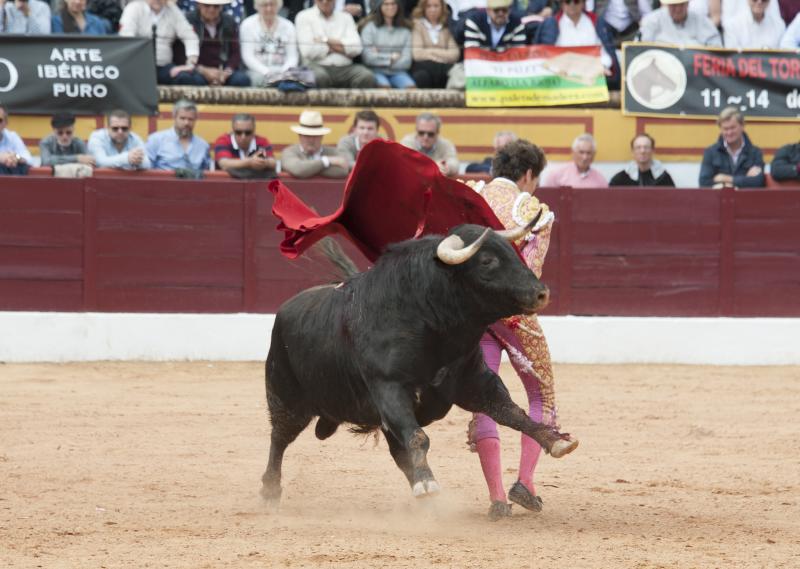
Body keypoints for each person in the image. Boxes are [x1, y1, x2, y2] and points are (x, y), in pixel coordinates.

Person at [465, 139, 578, 520]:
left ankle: (497, 497)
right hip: (514, 316)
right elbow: (529, 276)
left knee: (484, 396)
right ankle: (525, 481)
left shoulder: (470, 194)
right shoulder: (531, 209)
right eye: (535, 179)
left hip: (473, 315)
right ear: (528, 174)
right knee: (541, 397)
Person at [536, 0, 620, 90]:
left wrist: (602, 67)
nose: (572, 5)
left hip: (593, 79)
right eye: (567, 1)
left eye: (576, 1)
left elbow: (607, 55)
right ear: (562, 4)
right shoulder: (550, 25)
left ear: (583, 3)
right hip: (561, 82)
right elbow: (542, 58)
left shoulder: (597, 23)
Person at [294, 0, 377, 88]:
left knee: (366, 76)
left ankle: (352, 102)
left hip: (345, 67)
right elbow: (308, 51)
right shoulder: (303, 16)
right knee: (318, 77)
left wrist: (325, 40)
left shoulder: (346, 17)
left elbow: (356, 48)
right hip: (316, 65)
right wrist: (342, 48)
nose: (325, 2)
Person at [118, 0, 201, 86]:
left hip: (164, 67)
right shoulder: (134, 8)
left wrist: (190, 64)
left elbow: (190, 37)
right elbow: (126, 38)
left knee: (186, 78)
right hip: (137, 66)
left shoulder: (173, 10)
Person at [182, 0, 251, 86]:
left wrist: (226, 72)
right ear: (199, 5)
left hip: (223, 70)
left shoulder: (229, 21)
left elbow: (235, 53)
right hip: (198, 70)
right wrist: (202, 70)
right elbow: (181, 53)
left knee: (242, 80)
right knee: (194, 80)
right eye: (207, 5)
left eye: (216, 6)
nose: (211, 9)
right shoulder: (188, 21)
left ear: (221, 6)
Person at [239, 0, 301, 87]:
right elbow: (248, 56)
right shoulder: (247, 25)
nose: (269, 9)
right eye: (264, 5)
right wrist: (267, 72)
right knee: (260, 80)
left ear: (279, 6)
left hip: (283, 71)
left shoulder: (288, 26)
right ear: (257, 6)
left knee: (293, 82)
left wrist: (284, 73)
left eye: (272, 5)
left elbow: (293, 56)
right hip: (257, 71)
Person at [699, 107, 765, 189]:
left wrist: (725, 179)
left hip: (747, 200)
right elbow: (704, 183)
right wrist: (744, 179)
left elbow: (758, 182)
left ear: (742, 126)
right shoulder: (710, 152)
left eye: (733, 128)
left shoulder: (755, 153)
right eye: (725, 129)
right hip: (720, 200)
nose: (729, 132)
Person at [359, 0, 416, 89]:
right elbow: (368, 58)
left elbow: (407, 62)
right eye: (386, 4)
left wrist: (378, 55)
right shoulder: (369, 28)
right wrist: (391, 58)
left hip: (399, 72)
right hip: (375, 71)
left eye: (393, 3)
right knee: (384, 89)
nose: (390, 7)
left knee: (411, 90)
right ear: (379, 6)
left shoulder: (405, 30)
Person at [146, 99, 210, 174]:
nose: (186, 123)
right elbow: (146, 169)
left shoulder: (203, 145)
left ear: (195, 120)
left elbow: (207, 174)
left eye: (190, 119)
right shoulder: (156, 139)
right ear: (174, 117)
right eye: (182, 118)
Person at [280, 109, 349, 178]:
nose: (311, 140)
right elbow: (298, 169)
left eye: (315, 136)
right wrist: (327, 161)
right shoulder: (289, 152)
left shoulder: (333, 152)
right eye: (307, 135)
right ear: (299, 135)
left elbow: (343, 170)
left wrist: (308, 169)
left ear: (322, 136)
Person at [409, 0, 460, 89]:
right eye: (429, 6)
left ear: (442, 8)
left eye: (436, 6)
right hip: (424, 68)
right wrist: (442, 54)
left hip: (443, 70)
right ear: (424, 8)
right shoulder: (417, 26)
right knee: (421, 77)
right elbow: (417, 54)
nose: (433, 9)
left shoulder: (447, 27)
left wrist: (429, 52)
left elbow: (455, 54)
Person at [214, 113, 277, 179]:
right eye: (238, 132)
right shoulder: (223, 141)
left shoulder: (262, 141)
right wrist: (250, 162)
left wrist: (264, 162)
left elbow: (273, 162)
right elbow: (224, 164)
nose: (243, 137)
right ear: (232, 131)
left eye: (248, 132)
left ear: (254, 131)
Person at [638, 0, 722, 46]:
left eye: (681, 4)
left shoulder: (703, 22)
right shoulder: (652, 21)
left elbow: (717, 51)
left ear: (688, 3)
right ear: (667, 5)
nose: (678, 9)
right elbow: (638, 49)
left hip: (695, 74)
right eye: (674, 5)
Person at [400, 112, 459, 176]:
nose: (425, 137)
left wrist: (447, 167)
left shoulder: (446, 144)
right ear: (416, 130)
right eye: (421, 133)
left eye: (430, 134)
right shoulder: (407, 143)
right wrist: (433, 166)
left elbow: (454, 163)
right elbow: (404, 165)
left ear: (437, 132)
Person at [460, 0, 531, 51]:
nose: (501, 13)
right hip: (479, 66)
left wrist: (486, 50)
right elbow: (471, 51)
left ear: (509, 10)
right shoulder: (474, 21)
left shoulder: (517, 23)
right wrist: (504, 50)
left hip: (507, 66)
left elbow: (519, 52)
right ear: (488, 10)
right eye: (496, 10)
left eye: (504, 10)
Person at [39, 113, 95, 177]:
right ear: (54, 131)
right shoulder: (46, 142)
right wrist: (76, 158)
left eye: (68, 132)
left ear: (73, 129)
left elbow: (90, 161)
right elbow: (46, 161)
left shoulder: (79, 142)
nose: (64, 136)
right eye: (60, 133)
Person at [609, 133, 675, 187]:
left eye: (646, 147)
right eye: (638, 147)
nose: (642, 151)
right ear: (632, 151)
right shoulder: (620, 179)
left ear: (652, 151)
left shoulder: (663, 178)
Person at [543, 133, 607, 188]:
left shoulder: (600, 180)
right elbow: (545, 198)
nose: (585, 157)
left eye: (588, 153)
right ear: (573, 153)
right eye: (581, 152)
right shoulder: (556, 175)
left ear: (594, 155)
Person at [0, 103, 31, 176]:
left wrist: (16, 158)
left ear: (6, 123)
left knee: (22, 167)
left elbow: (28, 159)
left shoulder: (12, 136)